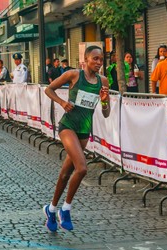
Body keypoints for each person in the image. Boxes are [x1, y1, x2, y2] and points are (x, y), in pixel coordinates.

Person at [43, 45, 110, 232]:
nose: (98, 63)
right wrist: (63, 102)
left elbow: (106, 113)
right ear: (86, 60)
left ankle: (51, 209)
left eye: (101, 60)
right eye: (95, 58)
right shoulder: (74, 75)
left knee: (65, 173)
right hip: (68, 126)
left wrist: (104, 100)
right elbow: (49, 89)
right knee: (82, 168)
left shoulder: (103, 81)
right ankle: (66, 209)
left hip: (84, 131)